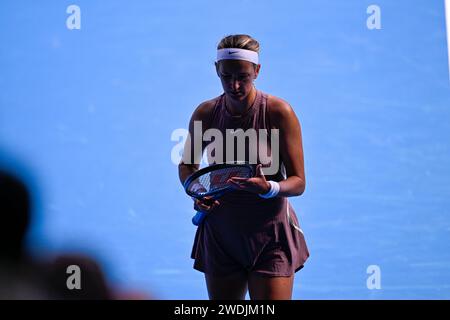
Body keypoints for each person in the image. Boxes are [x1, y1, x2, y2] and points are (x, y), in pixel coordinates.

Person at [178, 34, 310, 300]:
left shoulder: (279, 112)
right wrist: (195, 192)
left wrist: (269, 188)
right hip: (221, 234)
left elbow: (298, 182)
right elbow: (188, 166)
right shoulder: (205, 113)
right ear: (216, 69)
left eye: (243, 76)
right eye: (226, 76)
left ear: (257, 71)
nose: (234, 84)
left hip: (270, 235)